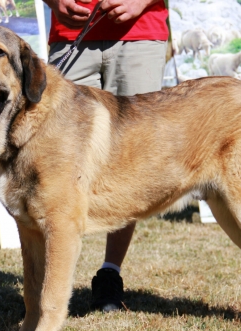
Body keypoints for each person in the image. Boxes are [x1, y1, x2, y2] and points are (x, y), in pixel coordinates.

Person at [44, 0, 169, 312]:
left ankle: (109, 275)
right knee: (54, 161)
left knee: (128, 163)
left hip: (141, 35)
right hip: (70, 35)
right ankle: (47, 289)